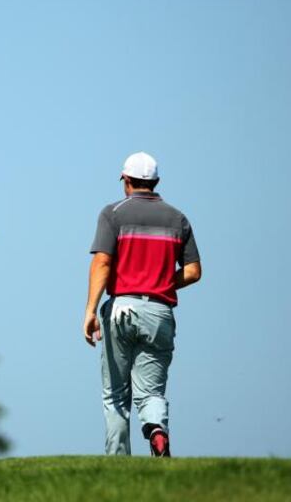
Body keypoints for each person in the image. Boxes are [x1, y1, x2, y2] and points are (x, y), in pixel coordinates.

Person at [82, 151, 202, 457]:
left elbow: (103, 263)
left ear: (126, 181)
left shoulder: (113, 213)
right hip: (160, 312)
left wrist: (90, 311)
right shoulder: (179, 218)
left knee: (116, 395)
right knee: (151, 392)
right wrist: (161, 282)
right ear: (156, 182)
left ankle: (118, 461)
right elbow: (192, 271)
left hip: (121, 307)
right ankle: (157, 430)